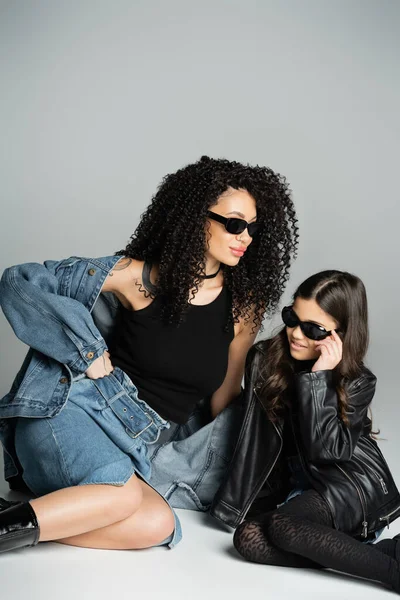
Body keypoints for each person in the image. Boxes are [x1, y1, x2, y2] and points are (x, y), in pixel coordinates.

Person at [0, 155, 298, 554]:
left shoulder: (243, 305)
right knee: (123, 500)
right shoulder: (136, 277)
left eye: (253, 228)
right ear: (195, 218)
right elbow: (19, 282)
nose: (245, 237)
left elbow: (224, 394)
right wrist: (82, 351)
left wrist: (259, 463)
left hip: (141, 440)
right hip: (76, 411)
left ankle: (26, 518)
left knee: (159, 525)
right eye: (234, 224)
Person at [225, 270, 400, 593]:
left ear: (341, 335)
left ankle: (391, 571)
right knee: (247, 538)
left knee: (282, 526)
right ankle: (378, 555)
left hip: (349, 485)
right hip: (302, 486)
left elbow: (328, 452)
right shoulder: (264, 359)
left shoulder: (358, 380)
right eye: (292, 317)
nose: (296, 333)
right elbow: (255, 438)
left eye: (313, 329)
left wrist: (318, 379)